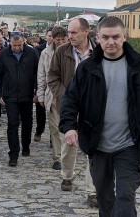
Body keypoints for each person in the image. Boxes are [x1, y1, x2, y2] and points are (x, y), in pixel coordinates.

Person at [60, 16, 140, 216]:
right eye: (105, 37)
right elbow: (70, 100)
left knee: (125, 196)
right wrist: (70, 126)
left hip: (131, 144)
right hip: (98, 145)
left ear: (125, 36)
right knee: (105, 199)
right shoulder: (87, 69)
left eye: (116, 36)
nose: (111, 42)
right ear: (98, 37)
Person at [47, 18, 97, 207]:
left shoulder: (97, 53)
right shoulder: (62, 51)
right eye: (69, 33)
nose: (70, 36)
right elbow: (52, 77)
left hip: (93, 107)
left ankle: (92, 190)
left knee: (93, 146)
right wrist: (64, 96)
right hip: (69, 106)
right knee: (69, 144)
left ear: (86, 32)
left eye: (74, 33)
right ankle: (67, 175)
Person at [0, 31, 39, 167]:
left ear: (24, 41)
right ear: (10, 43)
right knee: (12, 124)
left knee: (27, 122)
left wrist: (37, 91)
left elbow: (38, 73)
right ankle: (13, 154)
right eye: (14, 45)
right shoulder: (4, 54)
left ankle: (26, 145)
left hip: (27, 95)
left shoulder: (32, 54)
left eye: (19, 45)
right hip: (10, 95)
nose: (17, 48)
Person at [37, 26, 67, 170]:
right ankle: (58, 157)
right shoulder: (46, 53)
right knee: (55, 127)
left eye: (63, 39)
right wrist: (40, 94)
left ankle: (68, 153)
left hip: (70, 95)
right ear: (53, 40)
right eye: (57, 39)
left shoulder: (72, 52)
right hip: (53, 94)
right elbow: (41, 75)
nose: (60, 42)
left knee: (69, 126)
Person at [33, 27, 53, 142]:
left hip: (53, 84)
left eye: (52, 36)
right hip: (41, 82)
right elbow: (36, 69)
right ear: (46, 36)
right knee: (40, 109)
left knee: (53, 111)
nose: (51, 38)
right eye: (49, 35)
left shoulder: (60, 49)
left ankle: (52, 137)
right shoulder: (38, 50)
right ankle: (39, 130)